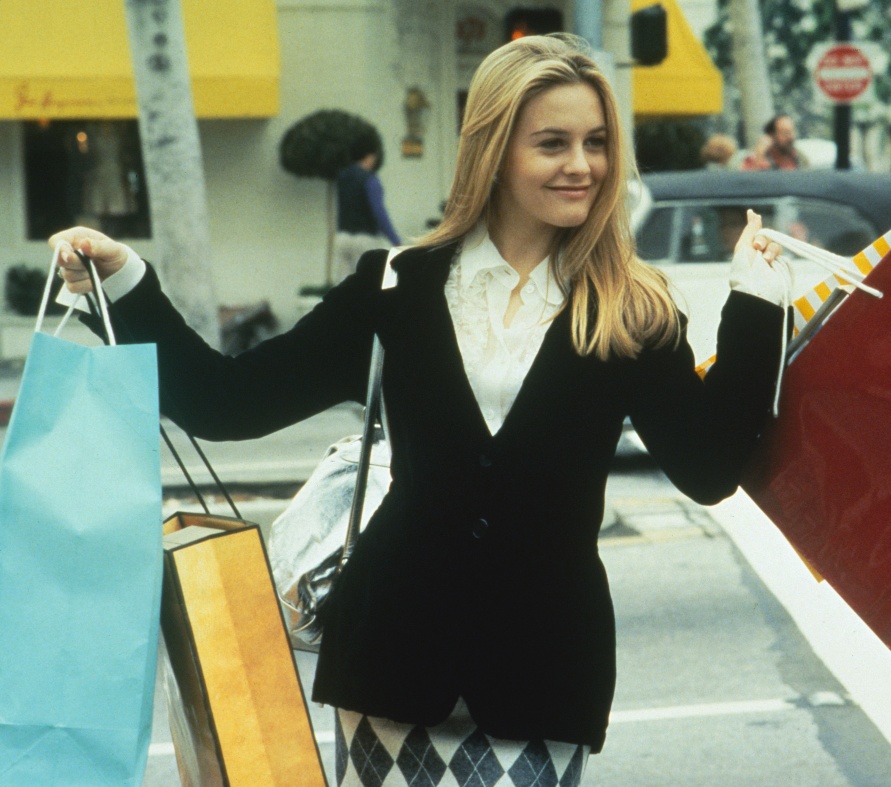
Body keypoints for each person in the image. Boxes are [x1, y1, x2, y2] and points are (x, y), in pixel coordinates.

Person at [51, 34, 788, 787]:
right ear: (495, 150)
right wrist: (126, 282)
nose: (583, 165)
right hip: (391, 658)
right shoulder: (396, 286)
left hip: (544, 669)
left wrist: (756, 308)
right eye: (553, 143)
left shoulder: (631, 309)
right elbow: (226, 402)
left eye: (597, 142)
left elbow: (708, 467)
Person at [334, 134, 402, 281]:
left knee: (344, 287)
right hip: (364, 239)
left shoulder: (342, 177)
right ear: (369, 156)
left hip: (342, 237)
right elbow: (379, 212)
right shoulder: (370, 179)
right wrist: (395, 240)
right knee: (367, 283)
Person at [741, 115, 806, 171]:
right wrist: (759, 155)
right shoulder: (758, 159)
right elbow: (748, 182)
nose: (790, 138)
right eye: (785, 133)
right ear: (771, 136)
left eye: (791, 132)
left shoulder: (799, 158)